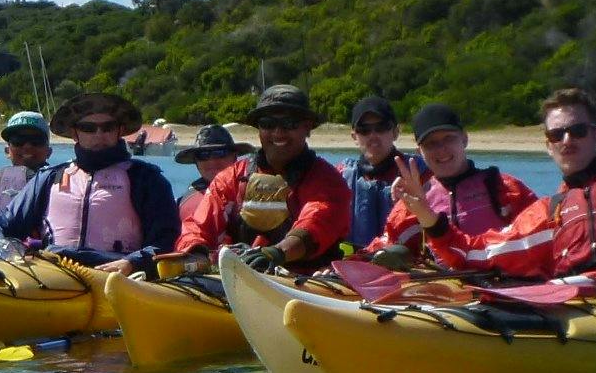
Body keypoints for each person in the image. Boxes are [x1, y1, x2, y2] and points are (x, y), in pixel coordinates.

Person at [426, 87, 596, 282]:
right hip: (577, 303)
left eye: (577, 131)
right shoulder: (550, 212)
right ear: (548, 145)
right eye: (556, 134)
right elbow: (476, 252)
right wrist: (431, 222)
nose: (566, 140)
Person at [0, 92, 179, 270]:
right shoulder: (49, 178)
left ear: (119, 130)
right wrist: (4, 252)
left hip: (120, 277)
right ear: (75, 132)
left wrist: (133, 262)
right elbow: (0, 229)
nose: (99, 134)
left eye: (107, 127)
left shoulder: (146, 179)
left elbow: (166, 238)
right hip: (54, 272)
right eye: (89, 128)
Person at [174, 84, 352, 272]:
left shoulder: (328, 181)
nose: (278, 132)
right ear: (258, 129)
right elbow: (198, 226)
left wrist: (275, 254)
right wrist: (196, 252)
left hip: (306, 282)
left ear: (306, 128)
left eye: (289, 124)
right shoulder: (232, 177)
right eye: (268, 124)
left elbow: (316, 223)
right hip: (237, 279)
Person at [373, 102, 539, 268]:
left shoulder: (505, 187)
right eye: (431, 143)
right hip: (445, 289)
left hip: (500, 284)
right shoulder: (415, 200)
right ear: (419, 152)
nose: (441, 149)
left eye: (448, 139)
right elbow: (384, 249)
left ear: (464, 139)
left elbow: (539, 237)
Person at [338, 95, 421, 254]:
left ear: (395, 132)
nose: (373, 135)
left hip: (407, 264)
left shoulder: (420, 171)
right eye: (364, 129)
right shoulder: (341, 176)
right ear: (354, 137)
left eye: (381, 127)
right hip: (356, 263)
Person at [0, 111, 54, 228]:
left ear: (49, 152)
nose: (27, 146)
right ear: (7, 151)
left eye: (36, 141)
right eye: (18, 140)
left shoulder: (58, 188)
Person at [171, 124, 250, 248]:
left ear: (235, 156)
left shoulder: (250, 187)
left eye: (220, 153)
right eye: (203, 155)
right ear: (196, 162)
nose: (212, 161)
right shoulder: (184, 201)